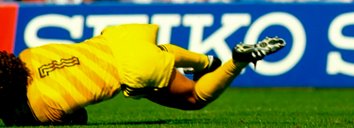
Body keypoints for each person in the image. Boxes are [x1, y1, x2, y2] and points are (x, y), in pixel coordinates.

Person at [0, 23, 285, 126]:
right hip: (118, 38)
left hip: (131, 68)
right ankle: (207, 61)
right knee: (158, 51)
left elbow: (79, 119)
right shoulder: (28, 54)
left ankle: (236, 61)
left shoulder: (40, 107)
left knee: (195, 98)